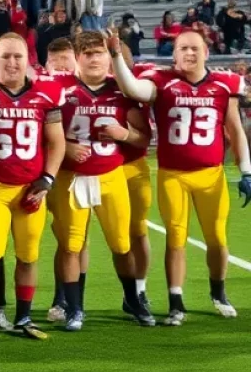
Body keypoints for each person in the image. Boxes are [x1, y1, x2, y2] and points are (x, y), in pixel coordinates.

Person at [109, 27, 251, 323]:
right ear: (173, 55)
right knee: (176, 238)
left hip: (210, 175)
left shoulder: (224, 84)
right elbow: (132, 90)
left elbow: (235, 130)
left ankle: (218, 293)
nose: (189, 53)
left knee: (217, 239)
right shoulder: (161, 81)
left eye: (195, 48)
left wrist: (246, 170)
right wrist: (115, 57)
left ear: (206, 52)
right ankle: (176, 301)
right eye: (183, 48)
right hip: (172, 174)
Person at [0, 32, 66, 348]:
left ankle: (23, 317)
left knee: (28, 254)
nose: (11, 62)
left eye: (18, 56)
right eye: (5, 56)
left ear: (28, 59)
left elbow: (56, 141)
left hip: (29, 189)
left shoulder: (46, 92)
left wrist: (48, 178)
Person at [51, 32, 153, 329]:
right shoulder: (59, 89)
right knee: (71, 245)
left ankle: (133, 300)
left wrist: (125, 135)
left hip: (110, 175)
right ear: (77, 58)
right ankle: (74, 308)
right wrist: (63, 145)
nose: (94, 58)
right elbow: (40, 128)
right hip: (71, 176)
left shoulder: (121, 91)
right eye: (87, 53)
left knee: (121, 244)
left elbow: (143, 137)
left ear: (109, 57)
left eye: (98, 52)